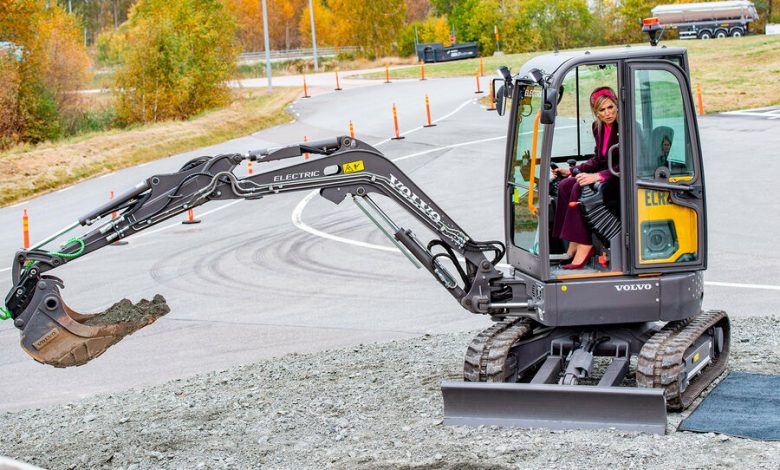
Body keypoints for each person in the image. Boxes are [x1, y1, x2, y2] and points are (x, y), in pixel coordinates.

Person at [551, 86, 619, 270]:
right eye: (602, 110)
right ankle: (572, 240)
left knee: (577, 186)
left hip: (619, 178)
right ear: (596, 112)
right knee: (565, 185)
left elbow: (629, 163)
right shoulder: (598, 128)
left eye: (610, 107)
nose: (607, 113)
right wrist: (572, 169)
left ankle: (584, 244)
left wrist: (597, 176)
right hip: (604, 175)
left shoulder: (627, 127)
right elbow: (598, 159)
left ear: (616, 105)